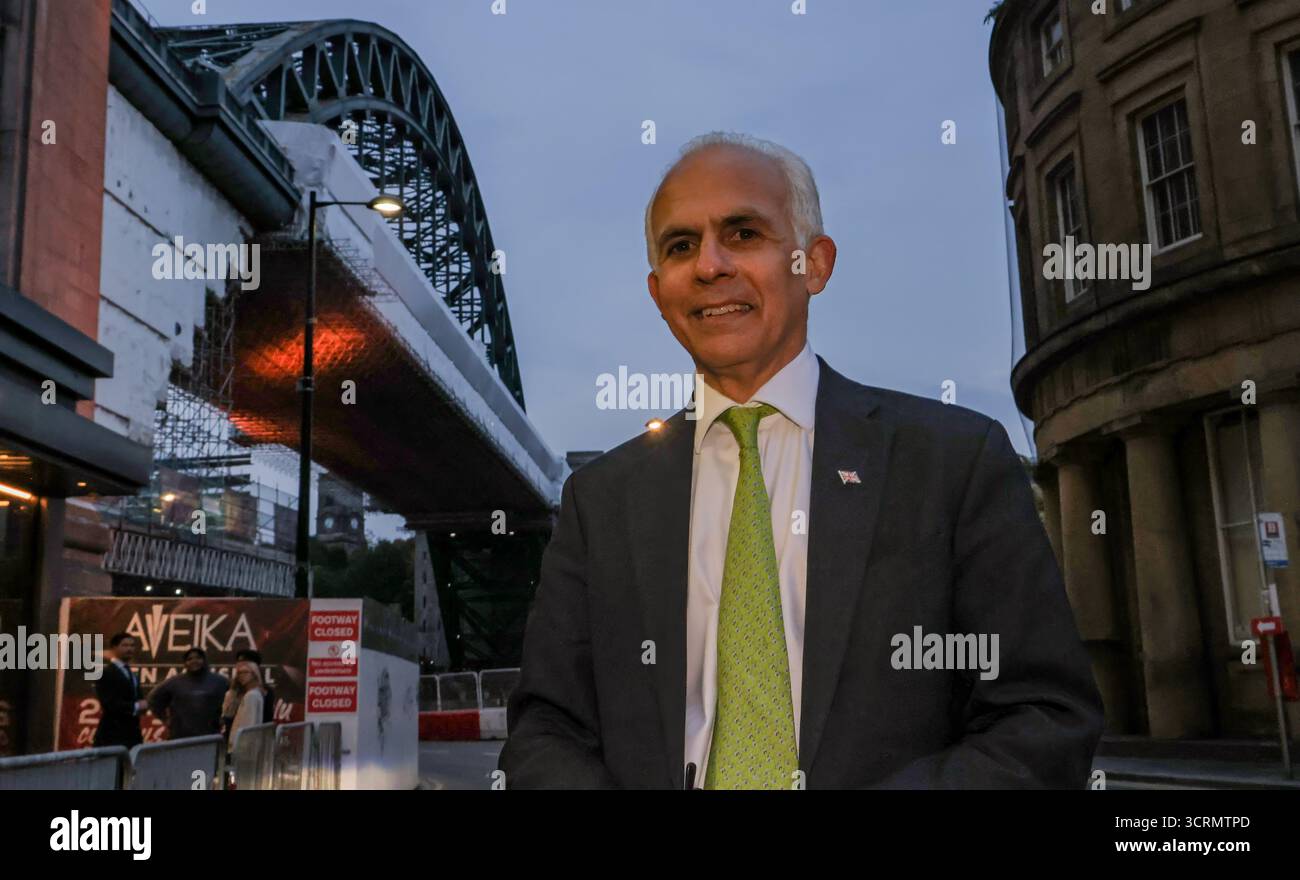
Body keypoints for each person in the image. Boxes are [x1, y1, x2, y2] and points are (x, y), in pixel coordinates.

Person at [499, 132, 1104, 789]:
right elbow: (545, 732)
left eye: (743, 233)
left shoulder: (953, 463)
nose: (709, 265)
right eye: (681, 246)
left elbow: (1042, 717)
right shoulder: (600, 501)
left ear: (814, 264)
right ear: (657, 290)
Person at [146, 648, 228, 740]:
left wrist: (225, 719)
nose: (194, 661)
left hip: (209, 737)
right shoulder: (174, 682)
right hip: (180, 737)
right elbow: (152, 699)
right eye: (189, 659)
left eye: (198, 658)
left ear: (204, 660)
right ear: (185, 663)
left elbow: (234, 699)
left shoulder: (219, 681)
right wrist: (165, 718)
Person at [93, 632, 146, 749]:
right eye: (125, 645)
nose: (129, 649)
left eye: (132, 646)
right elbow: (109, 704)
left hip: (132, 735)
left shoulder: (132, 673)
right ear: (114, 648)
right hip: (112, 735)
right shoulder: (106, 672)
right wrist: (136, 706)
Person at [222, 660, 265, 750]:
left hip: (243, 745)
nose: (241, 675)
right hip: (243, 743)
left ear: (254, 674)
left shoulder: (252, 695)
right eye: (239, 673)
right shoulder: (252, 693)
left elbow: (249, 724)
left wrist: (239, 744)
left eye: (245, 672)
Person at [234, 648, 276, 724]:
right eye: (239, 663)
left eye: (245, 665)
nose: (240, 667)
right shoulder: (234, 690)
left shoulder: (264, 692)